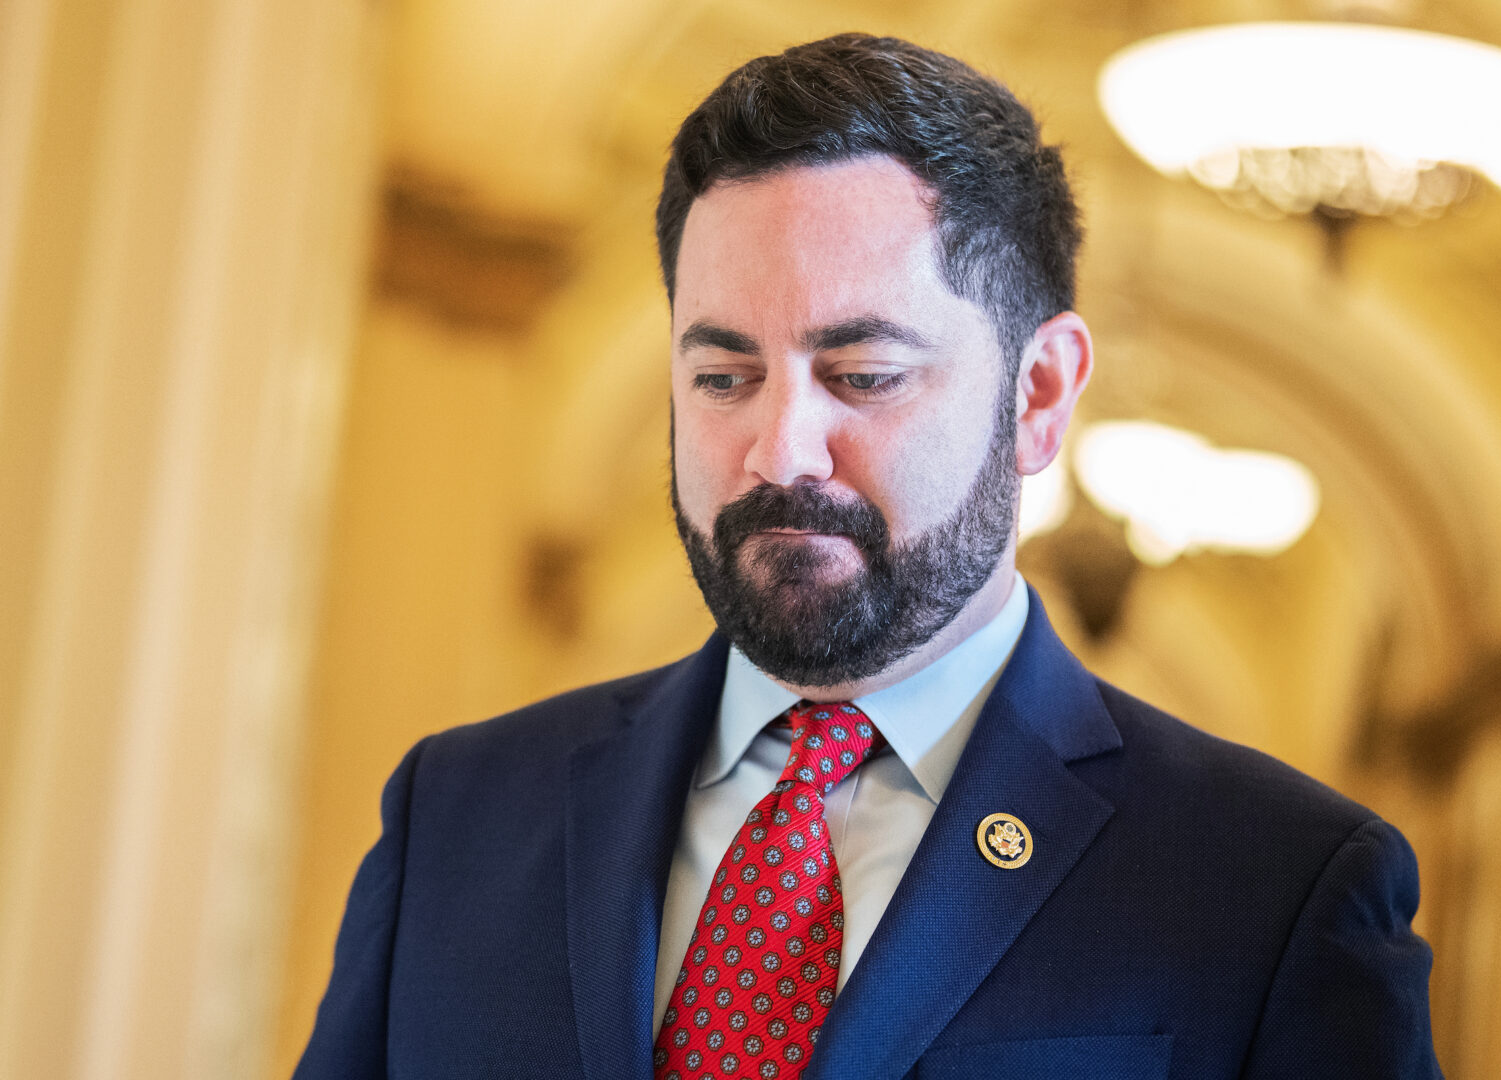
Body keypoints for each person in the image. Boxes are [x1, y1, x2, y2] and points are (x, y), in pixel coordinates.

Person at [294, 33, 1442, 1080]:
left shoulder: (1276, 885)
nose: (777, 451)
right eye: (723, 378)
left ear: (1039, 395)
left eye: (864, 376)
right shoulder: (459, 816)